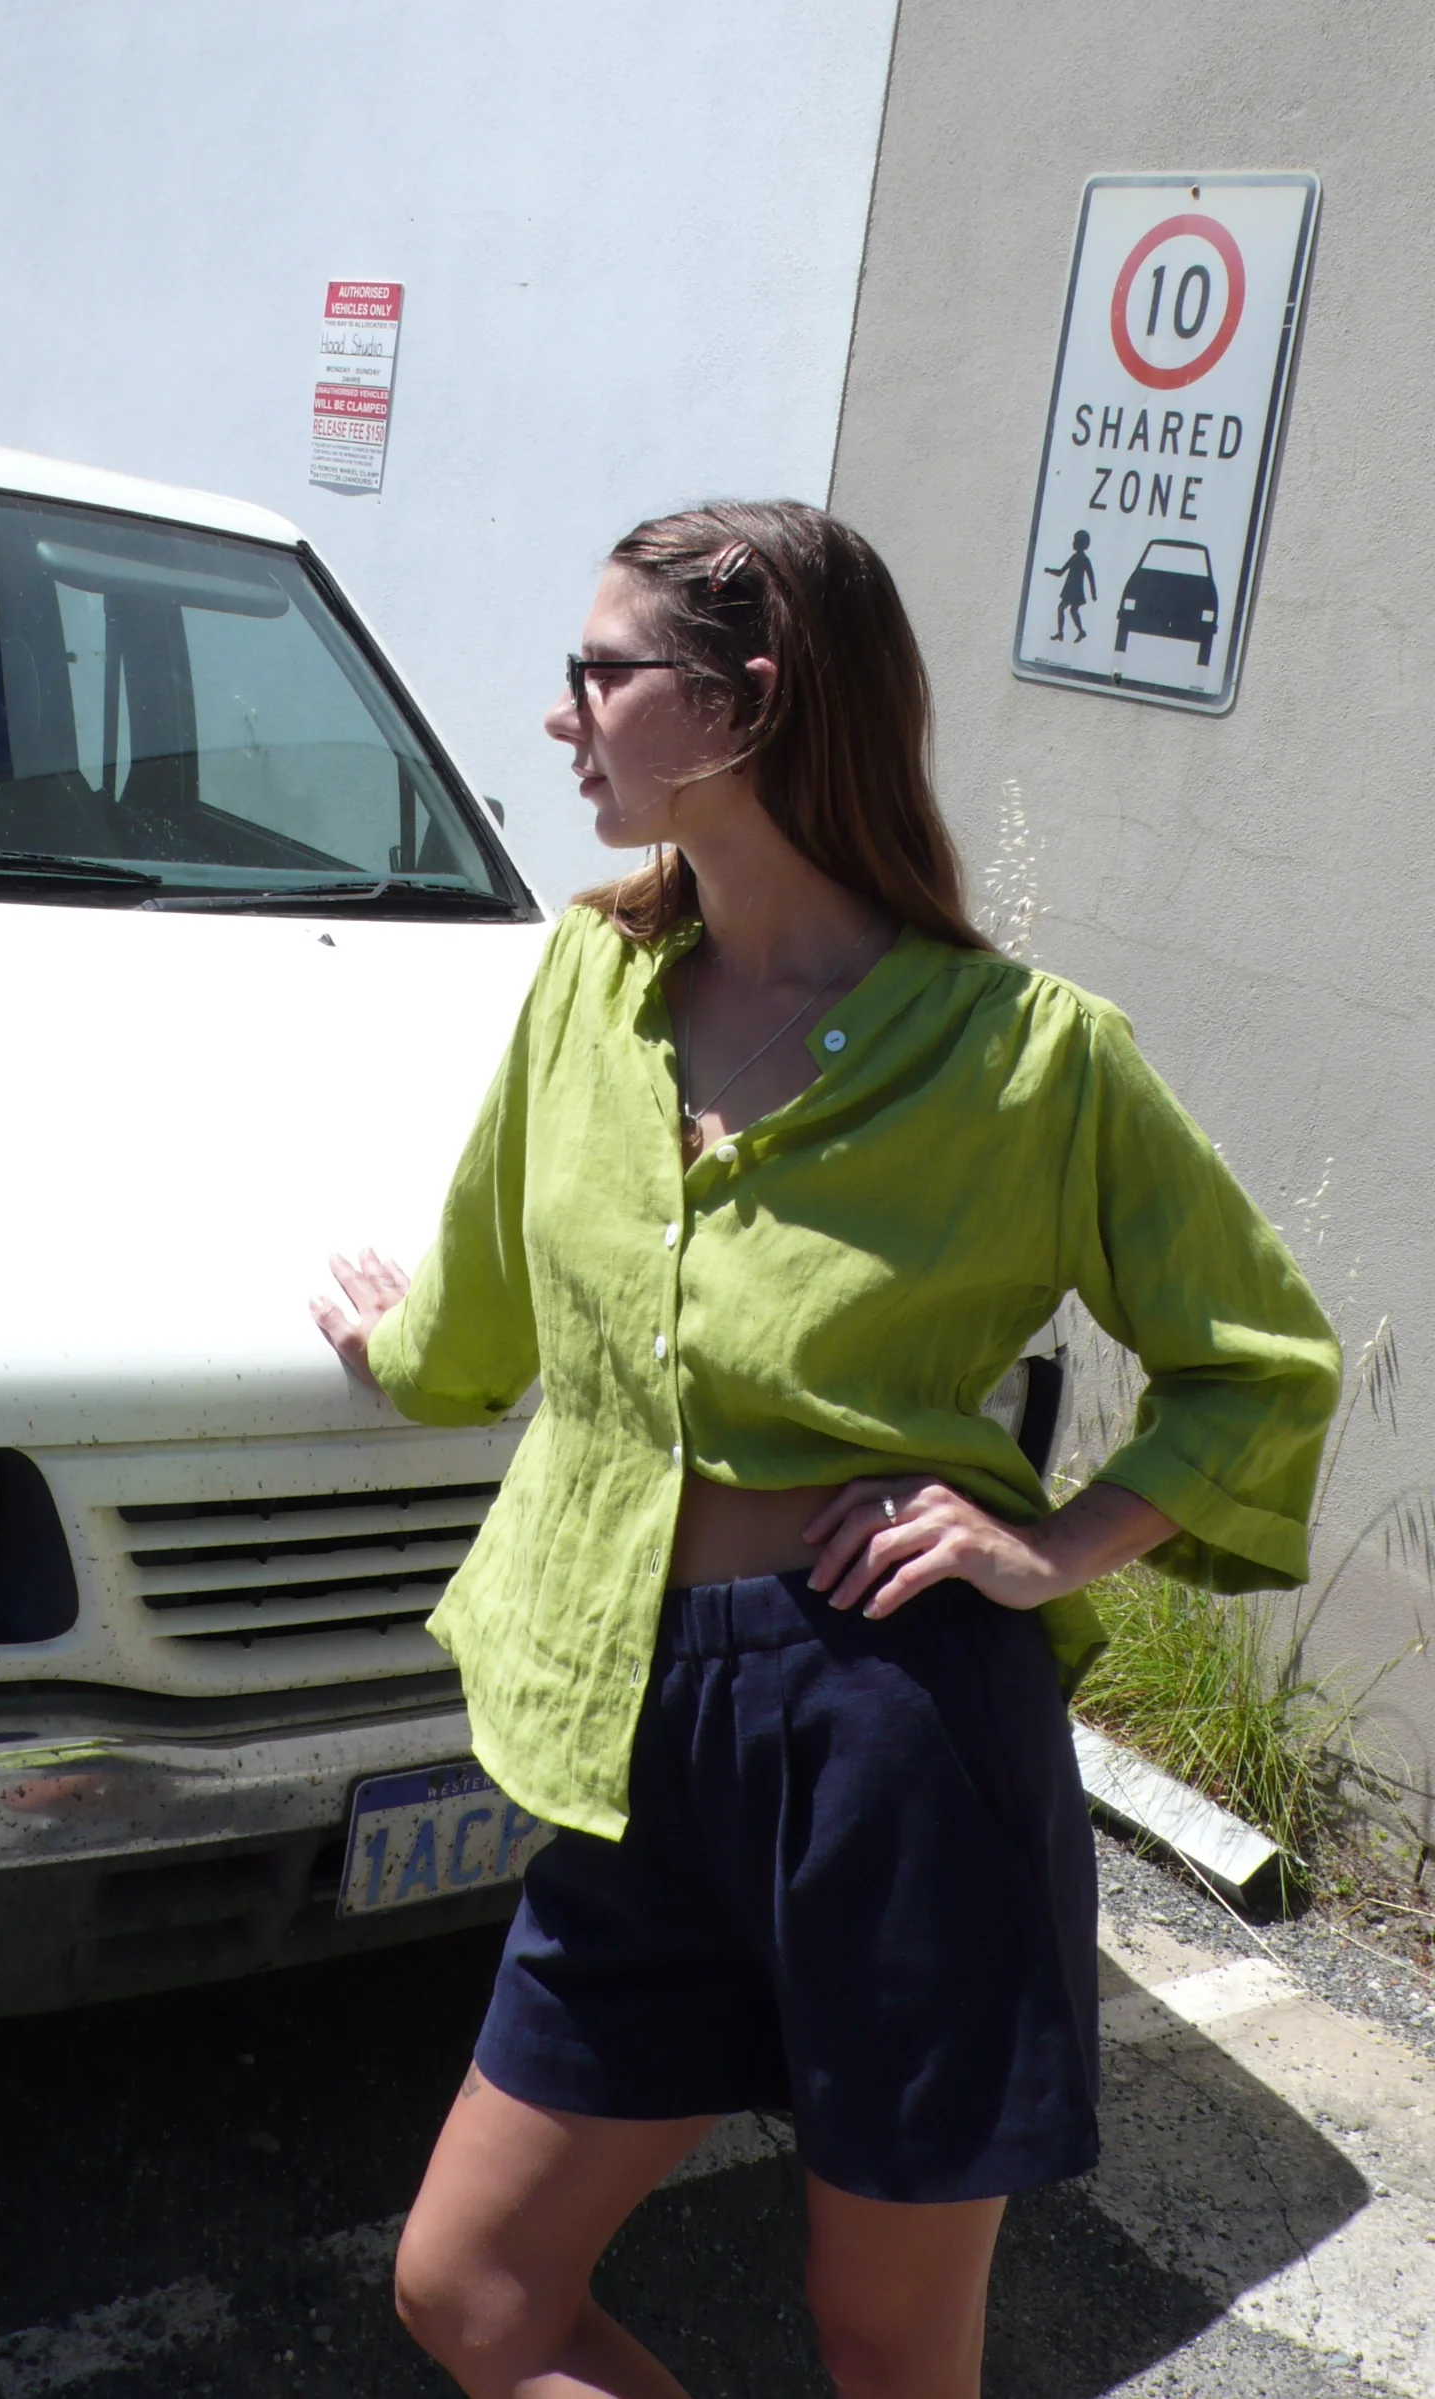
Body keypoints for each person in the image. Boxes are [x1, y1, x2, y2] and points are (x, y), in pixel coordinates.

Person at [311, 500, 1339, 2399]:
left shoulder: (1032, 1058)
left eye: (599, 673)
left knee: (884, 2344)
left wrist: (1051, 1548)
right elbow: (480, 1324)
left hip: (894, 1727)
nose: (563, 717)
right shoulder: (586, 995)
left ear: (747, 703)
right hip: (627, 1720)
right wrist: (385, 1340)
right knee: (471, 2286)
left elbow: (1261, 1368)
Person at [1045, 528, 1096, 641]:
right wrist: (1049, 570)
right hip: (1072, 589)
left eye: (1075, 541)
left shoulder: (1083, 559)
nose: (1073, 543)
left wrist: (1093, 593)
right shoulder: (1076, 558)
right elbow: (1060, 572)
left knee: (1062, 609)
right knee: (1071, 611)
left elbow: (1091, 577)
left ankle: (1065, 633)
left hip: (1073, 590)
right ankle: (1076, 632)